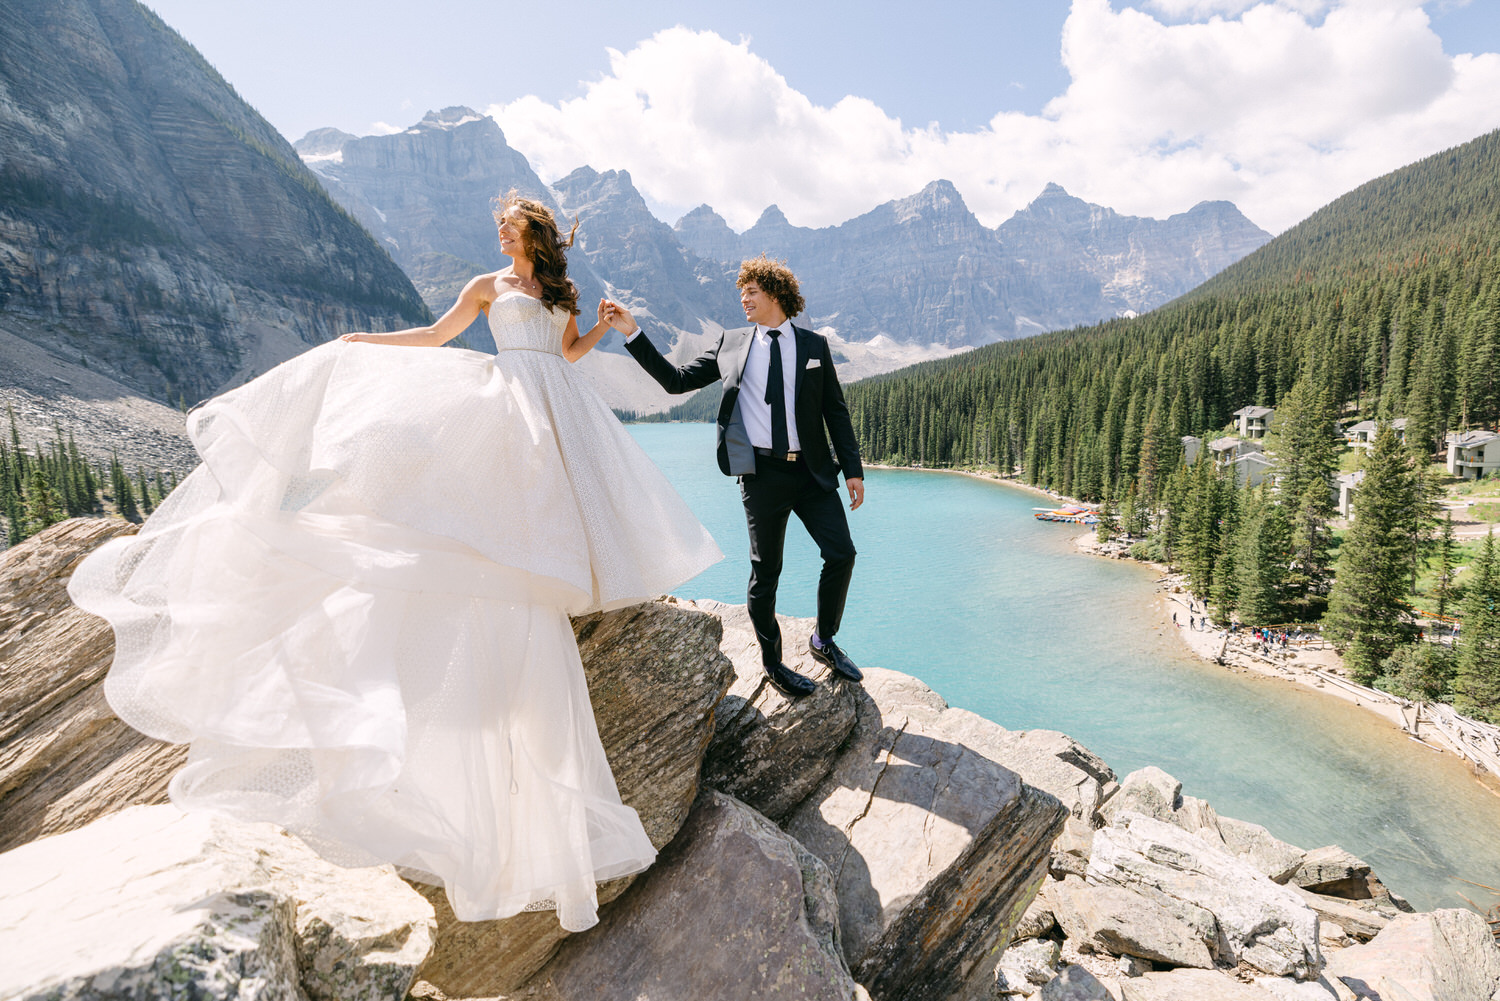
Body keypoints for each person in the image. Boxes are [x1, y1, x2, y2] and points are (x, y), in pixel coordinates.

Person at [67, 192, 722, 932]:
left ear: (534, 233)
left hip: (556, 404)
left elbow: (563, 353)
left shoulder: (559, 293)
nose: (500, 230)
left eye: (509, 224)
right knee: (496, 501)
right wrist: (369, 342)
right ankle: (509, 564)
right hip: (507, 401)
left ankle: (560, 564)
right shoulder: (487, 286)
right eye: (498, 224)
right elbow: (439, 335)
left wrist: (597, 332)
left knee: (555, 497)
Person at [602, 256, 863, 699]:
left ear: (776, 294)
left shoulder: (814, 346)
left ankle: (823, 640)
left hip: (812, 472)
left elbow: (834, 411)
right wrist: (632, 332)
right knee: (767, 572)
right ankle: (774, 662)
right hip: (760, 474)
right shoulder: (732, 343)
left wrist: (853, 469)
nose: (743, 298)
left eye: (751, 291)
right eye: (740, 292)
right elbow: (676, 381)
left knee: (841, 553)